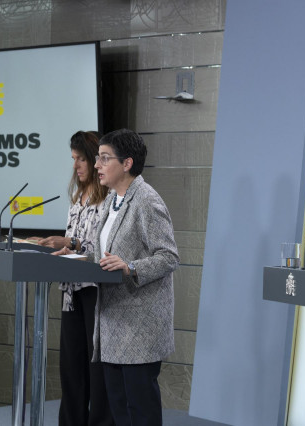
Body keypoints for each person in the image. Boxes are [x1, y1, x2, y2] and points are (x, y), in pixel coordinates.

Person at [56, 128, 179, 425]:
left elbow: (169, 257)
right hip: (111, 326)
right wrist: (76, 257)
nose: (97, 165)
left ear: (127, 163)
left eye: (104, 158)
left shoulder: (146, 200)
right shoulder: (113, 200)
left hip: (139, 329)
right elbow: (104, 256)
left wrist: (131, 267)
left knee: (140, 413)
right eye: (97, 158)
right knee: (120, 414)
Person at [36, 131, 113, 425]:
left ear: (94, 160)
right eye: (73, 159)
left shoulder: (108, 197)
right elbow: (73, 242)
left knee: (96, 367)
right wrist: (54, 245)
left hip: (95, 289)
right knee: (71, 367)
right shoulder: (76, 198)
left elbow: (102, 247)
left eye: (80, 159)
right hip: (70, 290)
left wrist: (70, 242)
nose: (75, 165)